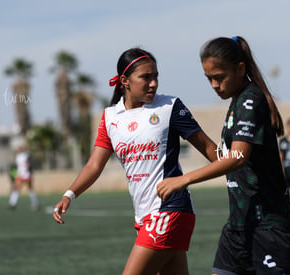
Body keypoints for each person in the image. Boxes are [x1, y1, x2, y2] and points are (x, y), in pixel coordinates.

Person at [52, 48, 217, 275]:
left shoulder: (170, 107)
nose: (153, 83)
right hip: (144, 216)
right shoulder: (110, 117)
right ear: (124, 81)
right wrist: (69, 194)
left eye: (155, 76)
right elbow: (94, 165)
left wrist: (241, 168)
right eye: (146, 77)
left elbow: (209, 148)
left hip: (170, 210)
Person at [157, 36, 290, 274]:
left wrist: (184, 179)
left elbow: (237, 157)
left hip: (266, 226)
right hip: (239, 224)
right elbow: (232, 157)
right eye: (209, 79)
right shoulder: (236, 101)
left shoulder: (250, 100)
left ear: (240, 69)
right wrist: (196, 136)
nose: (214, 85)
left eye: (219, 77)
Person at [8, 146, 39, 210]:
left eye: (20, 148)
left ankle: (35, 203)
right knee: (16, 188)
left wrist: (30, 172)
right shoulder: (18, 156)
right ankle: (12, 203)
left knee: (30, 189)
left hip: (26, 175)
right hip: (20, 175)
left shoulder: (26, 155)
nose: (19, 149)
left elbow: (29, 164)